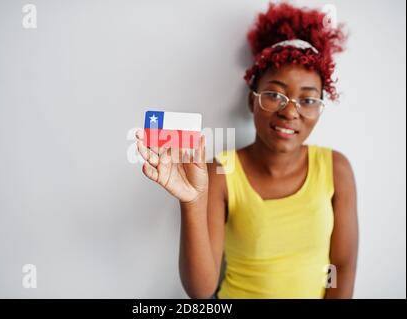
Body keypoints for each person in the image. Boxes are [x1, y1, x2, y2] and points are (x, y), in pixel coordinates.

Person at [135, 2, 358, 299]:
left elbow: (340, 266)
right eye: (274, 94)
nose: (290, 112)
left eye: (307, 100)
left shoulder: (336, 168)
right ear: (252, 101)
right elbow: (202, 291)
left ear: (320, 109)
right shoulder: (220, 171)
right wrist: (192, 202)